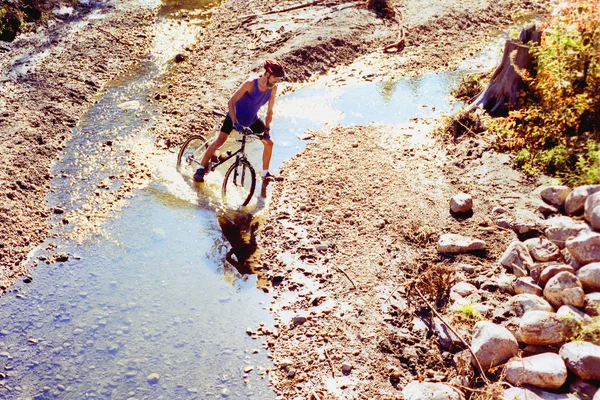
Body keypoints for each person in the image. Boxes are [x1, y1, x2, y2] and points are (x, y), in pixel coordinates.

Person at [193, 59, 285, 183]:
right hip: (233, 116)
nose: (277, 81)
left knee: (269, 143)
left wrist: (267, 129)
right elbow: (231, 102)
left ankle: (265, 174)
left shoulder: (273, 88)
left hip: (251, 119)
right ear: (268, 74)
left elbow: (270, 112)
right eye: (276, 78)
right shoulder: (251, 83)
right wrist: (235, 122)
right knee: (220, 141)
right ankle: (200, 168)